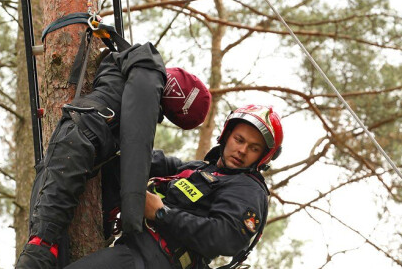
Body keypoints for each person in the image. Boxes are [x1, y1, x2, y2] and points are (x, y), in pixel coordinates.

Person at [15, 42, 212, 269]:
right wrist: (132, 214)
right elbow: (137, 146)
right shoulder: (147, 73)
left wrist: (190, 168)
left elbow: (148, 159)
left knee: (46, 237)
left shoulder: (128, 69)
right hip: (80, 141)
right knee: (42, 245)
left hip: (77, 141)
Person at [64, 104, 284, 269]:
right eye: (239, 139)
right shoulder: (198, 170)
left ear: (263, 158)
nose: (242, 150)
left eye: (254, 148)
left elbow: (225, 237)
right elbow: (151, 161)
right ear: (226, 135)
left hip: (153, 261)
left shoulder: (247, 188)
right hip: (133, 254)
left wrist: (161, 213)